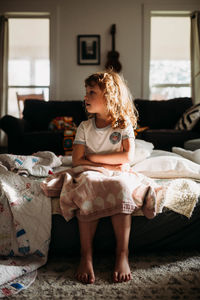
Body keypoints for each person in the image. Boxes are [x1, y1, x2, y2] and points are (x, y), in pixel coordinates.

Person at [72, 70, 138, 284]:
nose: (85, 97)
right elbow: (77, 160)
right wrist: (104, 163)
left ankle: (122, 254)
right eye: (86, 92)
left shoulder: (123, 125)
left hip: (116, 173)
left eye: (91, 92)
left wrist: (94, 157)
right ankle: (86, 255)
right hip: (92, 173)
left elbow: (127, 156)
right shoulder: (84, 127)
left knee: (120, 185)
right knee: (89, 184)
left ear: (109, 97)